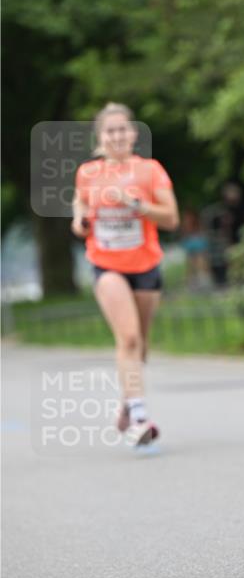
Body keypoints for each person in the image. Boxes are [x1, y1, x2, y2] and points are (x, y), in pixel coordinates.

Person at [71, 102, 180, 444]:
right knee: (128, 339)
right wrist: (80, 221)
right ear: (100, 138)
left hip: (146, 265)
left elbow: (172, 218)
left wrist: (134, 203)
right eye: (110, 131)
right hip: (106, 265)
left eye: (122, 129)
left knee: (141, 345)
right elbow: (80, 210)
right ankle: (140, 420)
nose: (117, 136)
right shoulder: (88, 173)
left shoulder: (150, 170)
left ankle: (126, 404)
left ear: (133, 133)